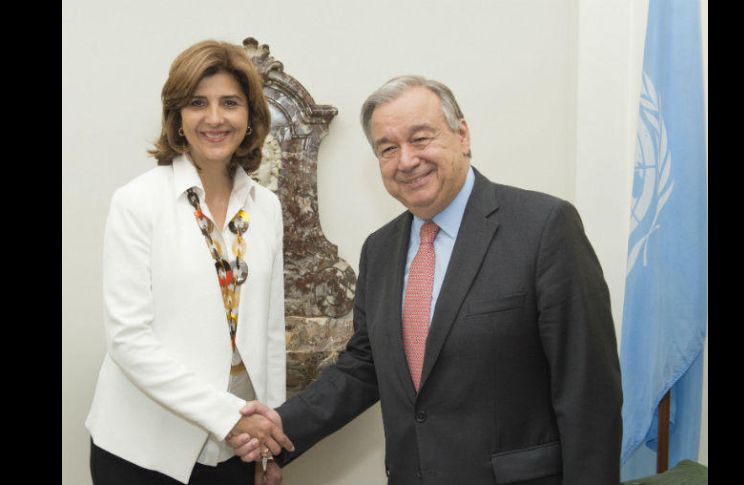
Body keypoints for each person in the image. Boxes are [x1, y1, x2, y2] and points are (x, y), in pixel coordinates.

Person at [231, 75, 623, 484]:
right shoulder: (379, 250)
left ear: (462, 134)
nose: (406, 160)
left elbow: (589, 394)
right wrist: (277, 429)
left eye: (420, 139)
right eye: (388, 148)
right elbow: (363, 367)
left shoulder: (543, 228)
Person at [85, 40, 293, 485]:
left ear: (251, 118)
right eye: (198, 103)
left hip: (238, 449)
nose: (215, 118)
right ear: (177, 116)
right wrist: (229, 417)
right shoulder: (137, 202)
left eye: (230, 103)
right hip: (142, 450)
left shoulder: (267, 207)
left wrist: (268, 443)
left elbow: (271, 333)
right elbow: (128, 340)